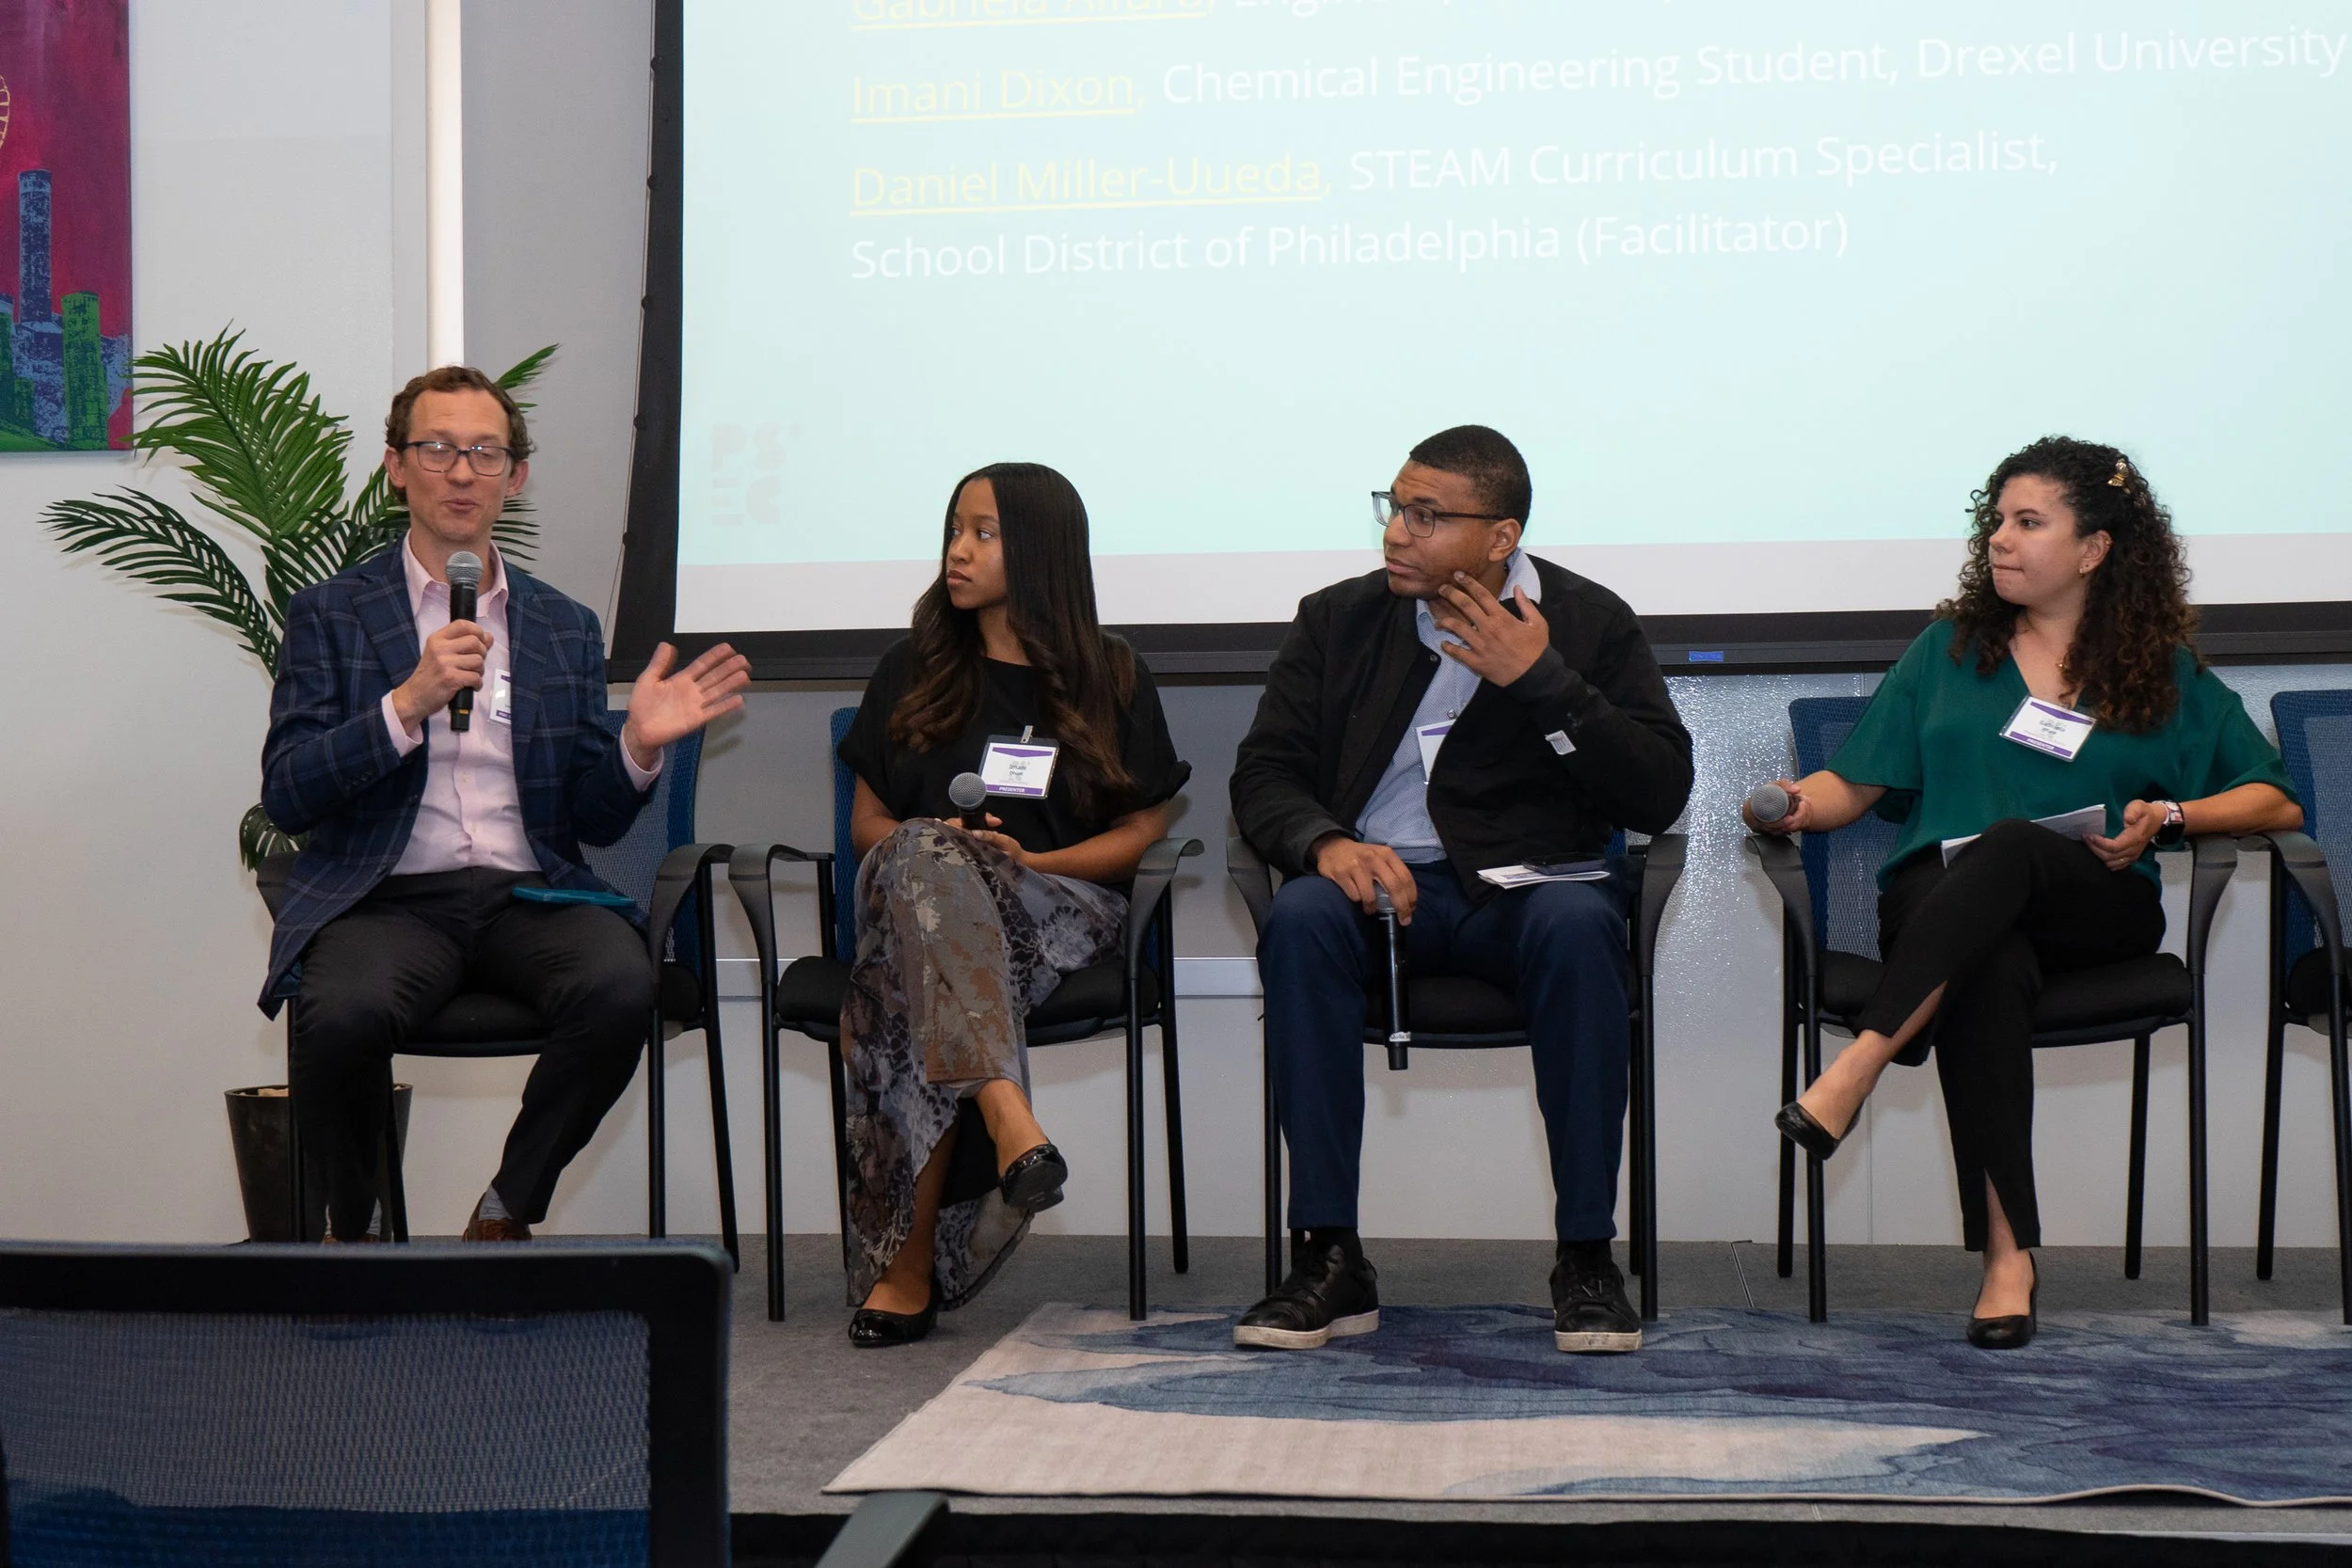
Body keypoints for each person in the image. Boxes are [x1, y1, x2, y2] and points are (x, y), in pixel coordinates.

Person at [1747, 436, 2300, 1349]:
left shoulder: (2156, 668)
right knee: (1985, 956)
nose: (1998, 538)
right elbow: (1855, 783)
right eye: (1995, 520)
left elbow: (2273, 795)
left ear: (2092, 549)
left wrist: (2169, 817)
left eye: (2027, 521)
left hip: (2093, 898)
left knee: (2005, 850)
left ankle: (1857, 1065)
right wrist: (1791, 806)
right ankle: (2009, 1259)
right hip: (1943, 902)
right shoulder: (1947, 651)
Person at [1229, 425, 1693, 1354]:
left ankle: (1586, 1256)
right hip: (1378, 892)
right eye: (1392, 507)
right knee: (1301, 913)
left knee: (1576, 920)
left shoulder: (1590, 620)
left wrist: (1546, 683)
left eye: (1425, 515)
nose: (1395, 532)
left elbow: (1656, 789)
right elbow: (1263, 774)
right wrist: (1323, 841)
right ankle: (1327, 1253)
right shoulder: (1337, 618)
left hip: (1524, 898)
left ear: (1499, 534)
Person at [260, 365, 751, 1243]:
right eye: (438, 448)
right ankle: (359, 1227)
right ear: (395, 467)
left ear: (514, 477)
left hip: (533, 894)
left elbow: (593, 820)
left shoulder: (563, 624)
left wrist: (639, 745)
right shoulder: (330, 614)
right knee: (340, 1016)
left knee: (620, 985)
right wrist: (404, 703)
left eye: (484, 452)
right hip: (391, 901)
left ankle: (506, 1210)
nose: (461, 471)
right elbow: (289, 791)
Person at [833, 462, 1189, 1347]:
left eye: (983, 533)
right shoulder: (911, 667)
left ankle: (906, 1268)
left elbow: (1145, 827)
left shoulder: (1112, 674)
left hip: (1059, 902)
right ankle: (1007, 1114)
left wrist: (1032, 857)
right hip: (926, 900)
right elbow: (869, 823)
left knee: (904, 972)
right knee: (922, 863)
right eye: (955, 528)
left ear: (1040, 550)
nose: (958, 549)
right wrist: (940, 852)